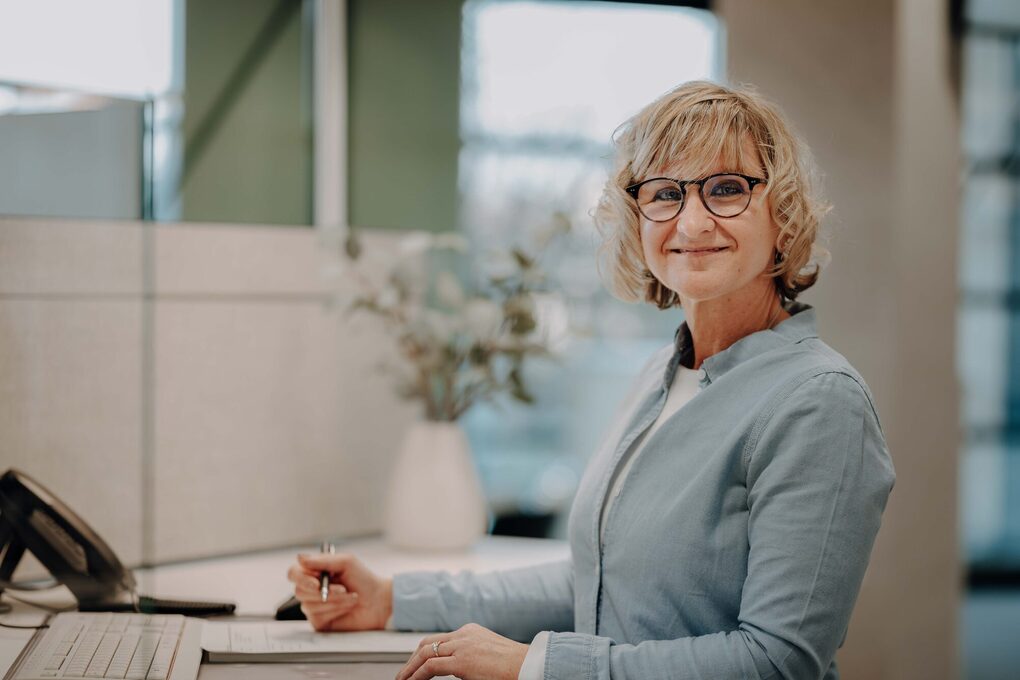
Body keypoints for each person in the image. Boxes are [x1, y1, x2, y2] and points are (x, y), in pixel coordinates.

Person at [287, 81, 896, 680]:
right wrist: (393, 599)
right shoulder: (660, 377)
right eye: (664, 193)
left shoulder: (819, 403)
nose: (692, 222)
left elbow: (776, 663)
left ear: (782, 213)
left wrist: (535, 664)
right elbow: (598, 580)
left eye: (727, 189)